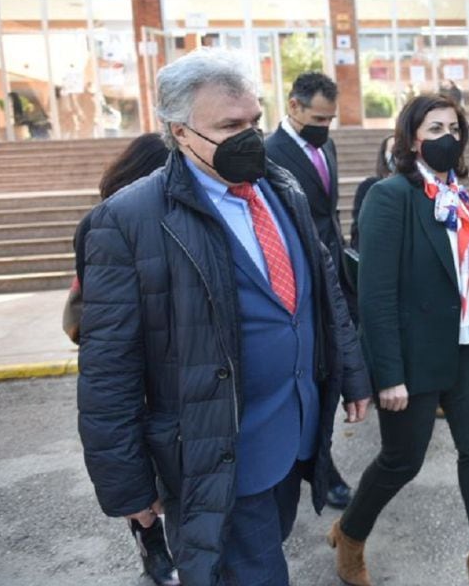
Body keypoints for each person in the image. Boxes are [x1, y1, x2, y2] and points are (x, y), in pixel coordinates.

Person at [76, 49, 372, 586]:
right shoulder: (128, 220)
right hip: (218, 453)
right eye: (230, 126)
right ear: (179, 131)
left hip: (296, 435)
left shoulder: (281, 188)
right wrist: (127, 485)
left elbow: (323, 292)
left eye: (254, 122)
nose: (249, 138)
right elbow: (108, 368)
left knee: (264, 550)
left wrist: (352, 374)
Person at [328, 94, 469, 586]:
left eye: (454, 128)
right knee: (402, 461)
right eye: (434, 128)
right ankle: (351, 533)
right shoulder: (391, 196)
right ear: (412, 137)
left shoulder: (458, 196)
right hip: (415, 358)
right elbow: (375, 295)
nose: (446, 137)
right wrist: (388, 374)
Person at [67, 133, 177, 586]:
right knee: (138, 456)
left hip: (173, 358)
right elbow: (104, 312)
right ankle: (150, 540)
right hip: (131, 359)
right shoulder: (103, 223)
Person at [265, 71, 354, 510]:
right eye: (319, 117)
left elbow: (328, 214)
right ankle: (320, 467)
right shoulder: (268, 153)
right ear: (294, 106)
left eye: (331, 119)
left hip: (333, 274)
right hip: (296, 285)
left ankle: (313, 460)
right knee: (311, 378)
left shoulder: (326, 144)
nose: (326, 127)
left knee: (331, 375)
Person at [348, 135, 394, 250]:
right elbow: (359, 230)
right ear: (384, 154)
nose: (398, 154)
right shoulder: (369, 187)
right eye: (393, 150)